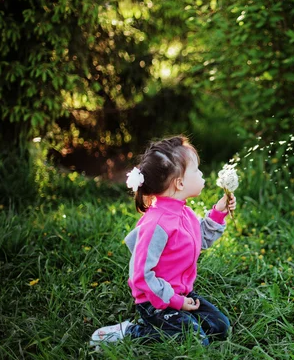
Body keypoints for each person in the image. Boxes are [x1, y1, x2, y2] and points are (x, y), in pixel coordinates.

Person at [90, 135, 236, 348]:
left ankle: (179, 324)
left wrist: (218, 213)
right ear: (179, 183)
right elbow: (141, 276)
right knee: (194, 342)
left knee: (221, 327)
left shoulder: (184, 213)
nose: (202, 173)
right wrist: (175, 302)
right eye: (196, 169)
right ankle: (131, 332)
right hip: (156, 301)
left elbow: (200, 239)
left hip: (182, 294)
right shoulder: (156, 224)